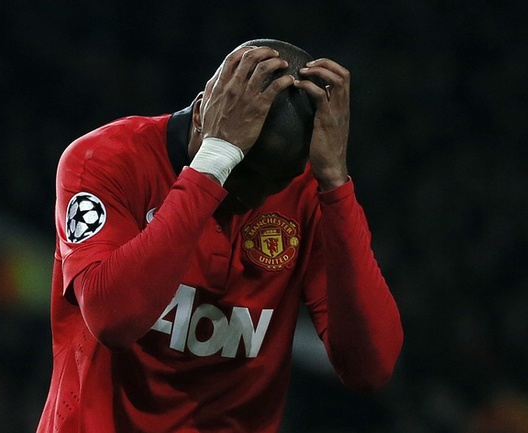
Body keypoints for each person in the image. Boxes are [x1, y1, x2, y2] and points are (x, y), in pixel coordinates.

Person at [37, 38, 403, 433]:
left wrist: (335, 183)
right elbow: (114, 320)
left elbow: (370, 367)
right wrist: (215, 165)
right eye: (243, 171)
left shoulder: (307, 191)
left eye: (277, 181)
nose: (255, 197)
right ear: (202, 114)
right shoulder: (107, 159)